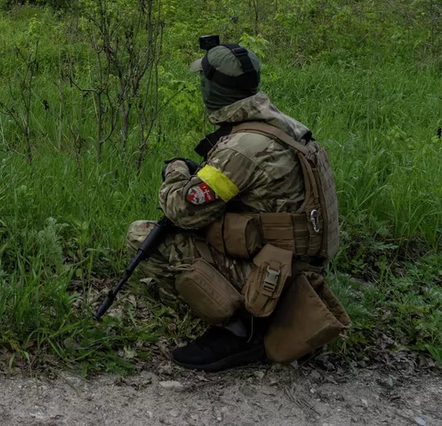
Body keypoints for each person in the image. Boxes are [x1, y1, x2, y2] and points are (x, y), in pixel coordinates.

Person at [125, 41, 345, 371]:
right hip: (299, 266)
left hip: (273, 279)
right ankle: (258, 313)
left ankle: (239, 330)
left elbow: (182, 210)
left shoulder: (241, 149)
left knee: (143, 236)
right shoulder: (286, 126)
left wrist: (175, 170)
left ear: (212, 89)